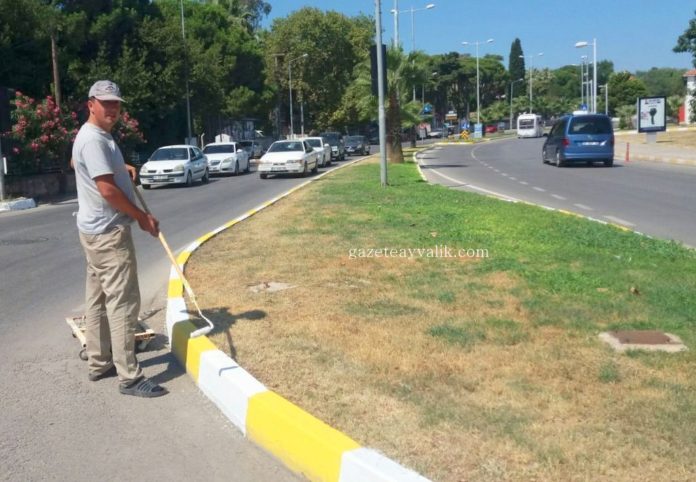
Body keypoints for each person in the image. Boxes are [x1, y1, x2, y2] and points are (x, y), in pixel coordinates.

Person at [72, 80, 167, 398]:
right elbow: (107, 190)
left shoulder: (92, 136)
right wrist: (141, 217)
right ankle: (129, 376)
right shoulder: (93, 140)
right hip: (109, 235)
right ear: (91, 104)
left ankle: (99, 362)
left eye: (116, 103)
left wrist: (117, 165)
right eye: (105, 103)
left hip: (94, 232)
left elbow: (77, 164)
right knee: (123, 302)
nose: (112, 108)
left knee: (98, 300)